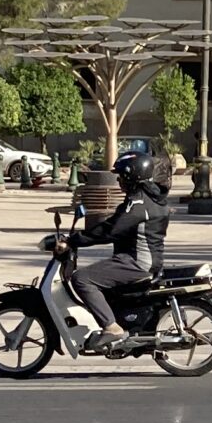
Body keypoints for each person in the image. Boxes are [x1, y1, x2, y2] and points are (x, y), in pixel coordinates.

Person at [68, 151, 172, 353]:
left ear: (131, 176)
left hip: (137, 262)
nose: (118, 181)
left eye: (121, 177)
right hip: (142, 259)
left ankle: (111, 328)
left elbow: (111, 230)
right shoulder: (149, 199)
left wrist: (75, 240)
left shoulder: (139, 203)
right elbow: (114, 224)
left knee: (82, 278)